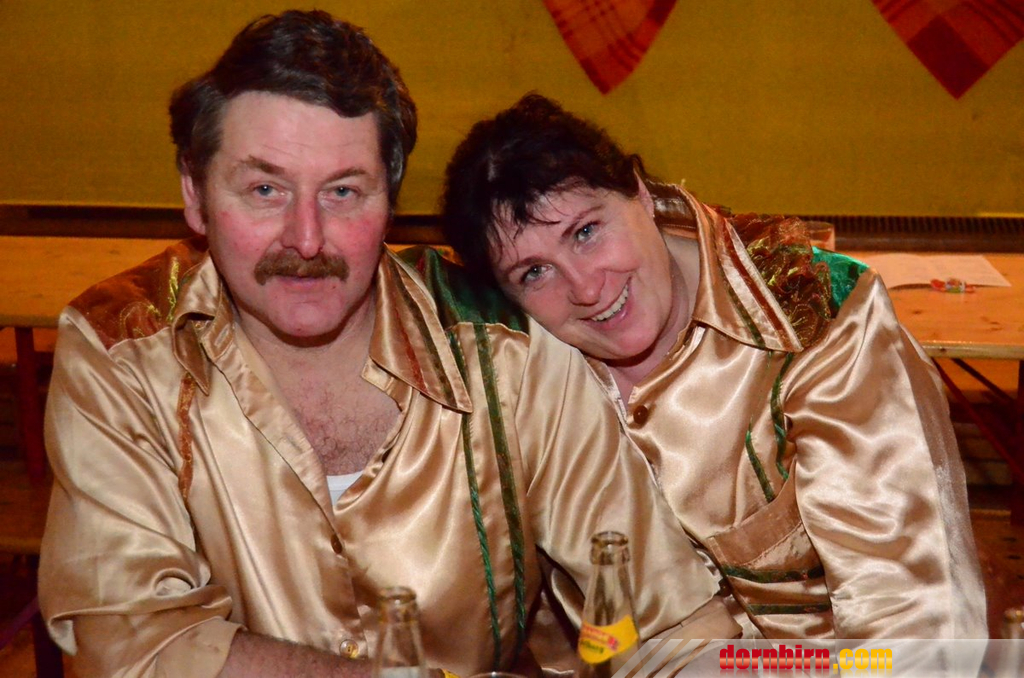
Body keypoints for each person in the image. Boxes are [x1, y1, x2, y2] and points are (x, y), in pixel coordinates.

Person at [37, 13, 740, 678]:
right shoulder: (122, 354)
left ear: (391, 205)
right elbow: (130, 642)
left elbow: (668, 620)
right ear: (194, 194)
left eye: (343, 193)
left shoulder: (506, 352)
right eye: (265, 189)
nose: (306, 239)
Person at [440, 93, 988, 639]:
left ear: (641, 194)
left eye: (586, 232)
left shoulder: (819, 317)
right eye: (534, 272)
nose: (585, 288)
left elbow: (911, 616)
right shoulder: (514, 373)